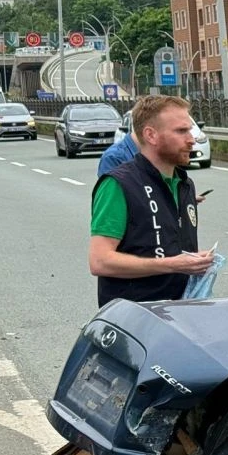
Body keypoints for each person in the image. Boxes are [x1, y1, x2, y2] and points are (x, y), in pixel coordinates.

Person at [88, 95, 213, 306]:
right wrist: (172, 264)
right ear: (151, 135)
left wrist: (194, 263)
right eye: (181, 131)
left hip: (181, 313)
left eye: (190, 130)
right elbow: (100, 261)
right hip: (134, 316)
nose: (191, 139)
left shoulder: (184, 184)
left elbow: (171, 249)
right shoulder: (118, 184)